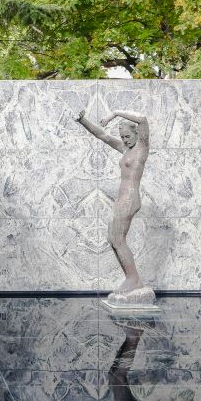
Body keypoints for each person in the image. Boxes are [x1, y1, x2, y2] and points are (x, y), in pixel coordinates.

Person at [77, 108, 149, 294]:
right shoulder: (126, 149)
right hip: (122, 198)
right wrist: (83, 120)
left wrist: (114, 113)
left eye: (127, 136)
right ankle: (131, 278)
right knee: (113, 239)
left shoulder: (142, 147)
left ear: (136, 134)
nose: (125, 140)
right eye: (123, 137)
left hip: (130, 198)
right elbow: (103, 136)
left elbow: (142, 119)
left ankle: (133, 279)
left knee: (117, 239)